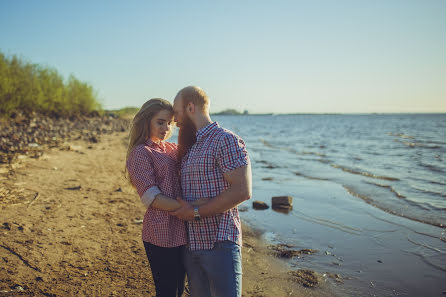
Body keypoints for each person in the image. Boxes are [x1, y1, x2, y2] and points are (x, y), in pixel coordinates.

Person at [171, 86, 252, 297]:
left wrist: (196, 212)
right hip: (192, 245)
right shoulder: (191, 146)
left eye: (176, 112)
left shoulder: (225, 140)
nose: (174, 119)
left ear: (190, 107)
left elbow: (242, 190)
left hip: (219, 243)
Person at [125, 98, 207, 297]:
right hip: (160, 231)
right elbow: (151, 197)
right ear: (147, 121)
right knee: (167, 291)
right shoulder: (140, 153)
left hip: (182, 230)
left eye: (170, 123)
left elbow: (198, 150)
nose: (166, 127)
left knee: (179, 289)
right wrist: (195, 209)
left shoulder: (170, 148)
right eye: (160, 122)